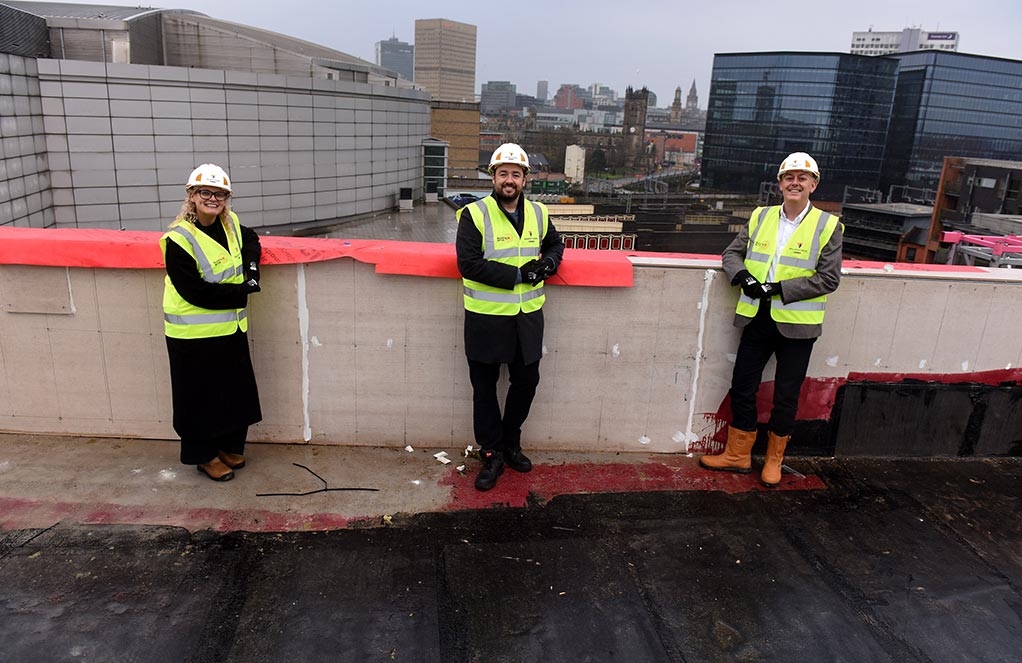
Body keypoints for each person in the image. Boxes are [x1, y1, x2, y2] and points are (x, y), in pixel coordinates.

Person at [700, 152, 842, 486]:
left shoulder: (828, 225)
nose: (795, 183)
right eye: (789, 177)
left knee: (786, 396)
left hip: (797, 324)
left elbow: (829, 278)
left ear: (813, 184)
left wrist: (780, 288)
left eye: (802, 178)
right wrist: (743, 277)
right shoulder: (761, 216)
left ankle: (774, 459)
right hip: (756, 317)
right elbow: (731, 254)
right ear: (780, 183)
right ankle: (737, 455)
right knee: (742, 386)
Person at [455, 143, 565, 491]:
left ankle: (510, 442)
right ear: (493, 176)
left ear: (524, 179)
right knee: (484, 390)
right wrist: (519, 274)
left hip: (527, 318)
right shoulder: (474, 215)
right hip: (486, 319)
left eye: (515, 174)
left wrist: (548, 264)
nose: (509, 180)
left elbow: (555, 245)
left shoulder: (538, 213)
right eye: (503, 173)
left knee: (526, 383)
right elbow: (469, 264)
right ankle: (491, 454)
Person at [160, 164, 263, 482]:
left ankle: (228, 446)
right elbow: (195, 291)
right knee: (198, 398)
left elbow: (251, 240)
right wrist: (242, 292)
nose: (213, 199)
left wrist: (252, 270)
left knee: (233, 392)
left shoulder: (229, 223)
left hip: (229, 329)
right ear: (191, 196)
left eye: (219, 194)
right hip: (191, 334)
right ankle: (203, 455)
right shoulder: (178, 239)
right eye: (205, 192)